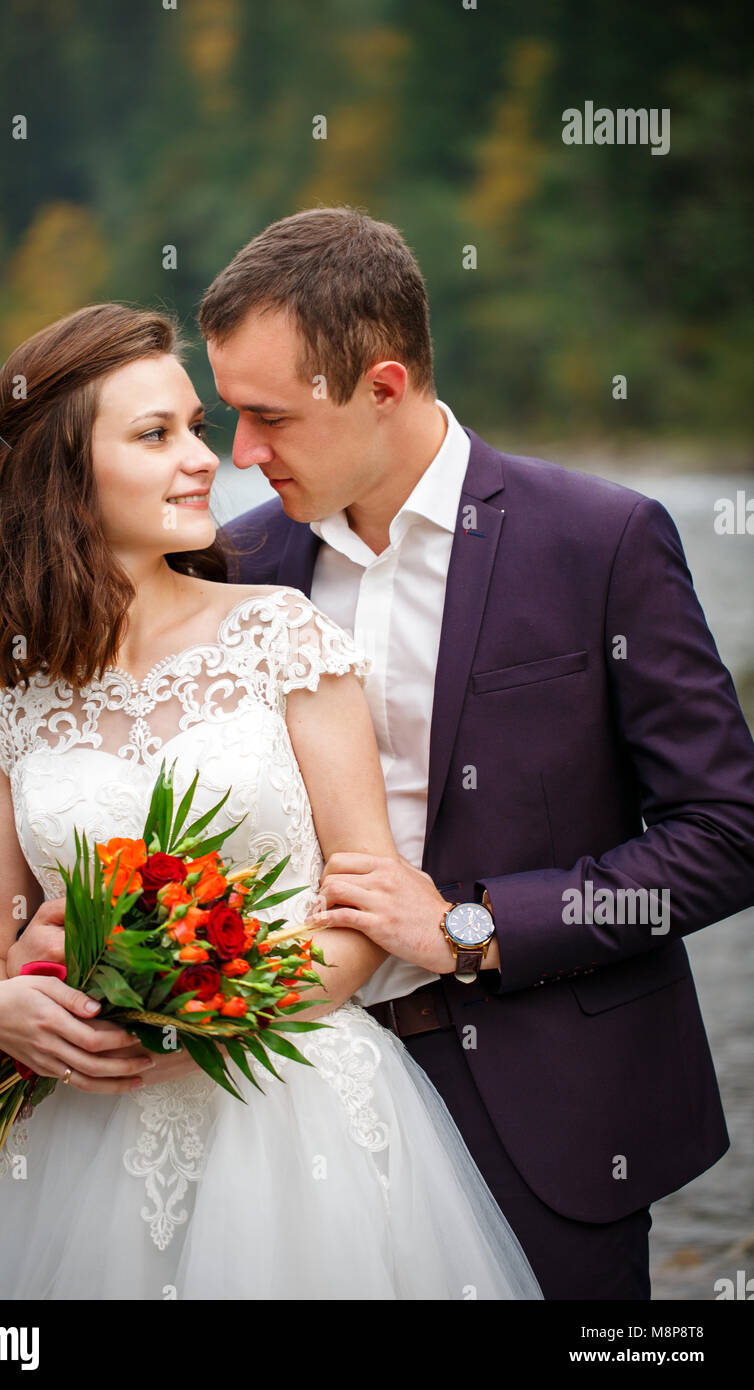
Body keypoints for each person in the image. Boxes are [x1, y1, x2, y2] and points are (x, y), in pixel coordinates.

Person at [0, 301, 542, 1300]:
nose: (204, 458)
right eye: (156, 435)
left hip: (288, 1108)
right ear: (61, 472)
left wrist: (206, 1013)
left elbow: (365, 916)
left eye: (195, 429)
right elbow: (0, 950)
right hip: (81, 1130)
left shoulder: (282, 637)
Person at [197, 206, 754, 1300]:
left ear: (383, 387)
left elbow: (724, 834)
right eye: (229, 416)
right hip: (283, 1105)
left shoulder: (601, 540)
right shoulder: (234, 563)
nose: (239, 455)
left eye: (267, 417)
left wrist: (471, 927)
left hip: (549, 1109)